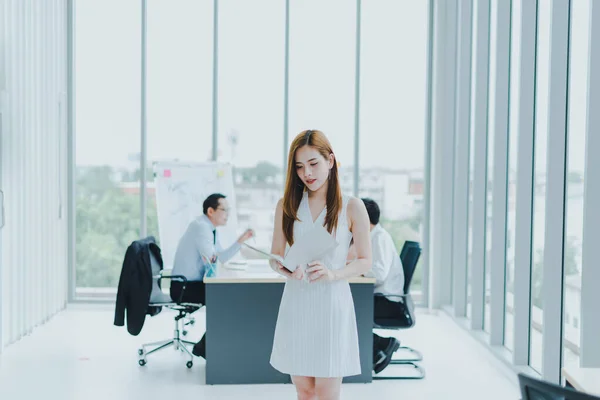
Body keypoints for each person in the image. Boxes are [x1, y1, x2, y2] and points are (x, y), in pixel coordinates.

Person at [269, 129, 372, 400]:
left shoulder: (351, 206)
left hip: (331, 302)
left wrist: (333, 273)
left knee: (326, 390)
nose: (307, 173)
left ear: (331, 160)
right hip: (297, 300)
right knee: (304, 388)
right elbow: (275, 255)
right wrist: (283, 267)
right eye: (300, 167)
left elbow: (365, 261)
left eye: (313, 164)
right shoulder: (287, 205)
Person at [171, 193, 254, 358]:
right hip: (184, 287)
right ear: (211, 211)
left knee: (227, 297)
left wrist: (240, 241)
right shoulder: (201, 228)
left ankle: (207, 346)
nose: (228, 214)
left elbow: (220, 257)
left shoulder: (209, 228)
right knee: (224, 299)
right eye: (224, 210)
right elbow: (212, 259)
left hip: (192, 284)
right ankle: (204, 347)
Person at [347, 198, 405, 374]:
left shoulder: (379, 238)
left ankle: (381, 344)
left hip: (387, 302)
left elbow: (379, 274)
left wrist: (356, 269)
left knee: (346, 310)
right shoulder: (373, 236)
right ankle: (377, 347)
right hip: (379, 297)